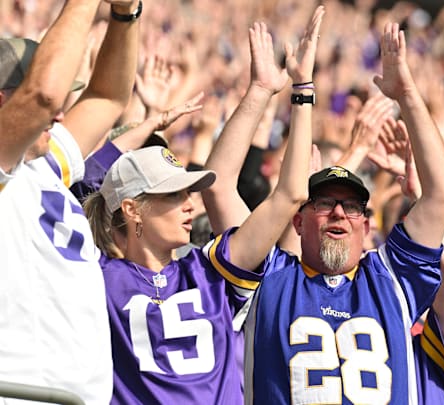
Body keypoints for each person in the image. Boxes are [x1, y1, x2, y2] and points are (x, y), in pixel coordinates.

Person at [204, 21, 444, 404]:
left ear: (367, 225)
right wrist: (261, 92)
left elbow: (441, 195)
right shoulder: (268, 277)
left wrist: (406, 94)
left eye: (352, 206)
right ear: (297, 220)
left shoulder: (390, 280)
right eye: (323, 203)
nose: (338, 213)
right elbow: (218, 185)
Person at [79, 8, 322, 404]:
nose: (188, 205)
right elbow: (81, 178)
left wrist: (281, 91)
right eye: (171, 195)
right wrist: (149, 123)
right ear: (131, 209)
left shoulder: (211, 270)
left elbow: (290, 195)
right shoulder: (94, 276)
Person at [0, 0, 139, 403]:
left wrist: (124, 15)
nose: (61, 114)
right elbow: (43, 96)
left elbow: (109, 97)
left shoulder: (43, 163)